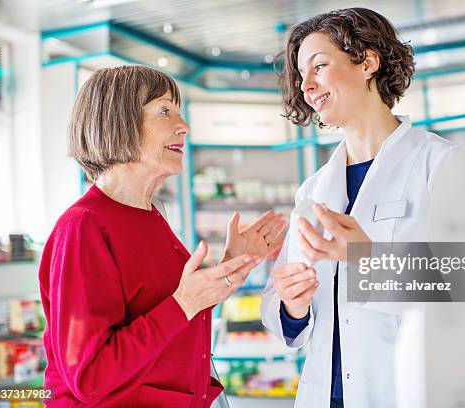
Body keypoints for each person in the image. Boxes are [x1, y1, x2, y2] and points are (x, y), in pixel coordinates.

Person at [39, 66, 286, 407]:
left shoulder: (151, 217)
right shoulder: (83, 228)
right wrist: (185, 303)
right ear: (118, 122)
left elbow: (165, 311)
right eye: (164, 111)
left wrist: (229, 267)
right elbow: (89, 376)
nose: (183, 127)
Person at [261, 8, 457, 408]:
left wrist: (368, 260)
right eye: (301, 76)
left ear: (367, 61)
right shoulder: (313, 191)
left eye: (319, 66)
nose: (307, 86)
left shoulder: (442, 165)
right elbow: (278, 302)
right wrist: (291, 306)